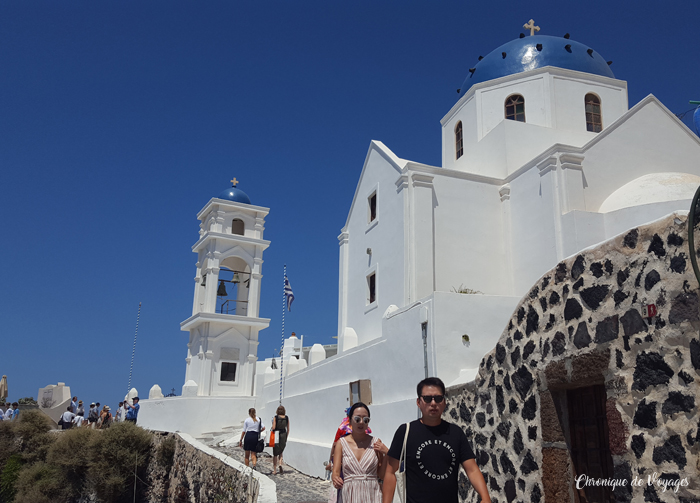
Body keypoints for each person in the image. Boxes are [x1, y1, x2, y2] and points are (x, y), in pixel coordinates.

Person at [382, 377, 491, 503]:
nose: (433, 403)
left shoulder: (455, 433)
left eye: (438, 398)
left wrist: (485, 497)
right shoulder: (406, 431)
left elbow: (472, 469)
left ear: (444, 402)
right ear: (418, 402)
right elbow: (390, 472)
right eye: (427, 399)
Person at [331, 402, 387, 503]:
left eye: (365, 420)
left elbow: (381, 475)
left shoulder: (376, 443)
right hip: (349, 494)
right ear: (350, 420)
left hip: (372, 494)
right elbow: (335, 472)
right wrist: (335, 479)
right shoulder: (341, 443)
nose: (361, 422)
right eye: (357, 419)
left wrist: (386, 454)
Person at [271, 405, 290, 475]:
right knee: (281, 451)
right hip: (283, 434)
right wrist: (286, 437)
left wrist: (272, 426)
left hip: (276, 434)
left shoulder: (276, 417)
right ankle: (280, 464)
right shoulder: (287, 418)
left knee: (275, 453)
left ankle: (275, 470)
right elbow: (288, 429)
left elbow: (273, 427)